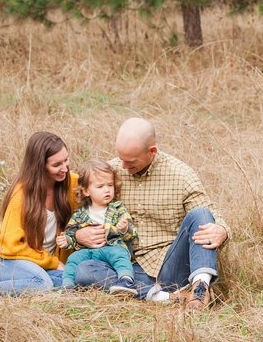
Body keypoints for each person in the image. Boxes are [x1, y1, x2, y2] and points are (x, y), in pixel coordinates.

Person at [70, 118, 228, 311]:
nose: (123, 166)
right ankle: (170, 297)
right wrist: (79, 235)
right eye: (121, 158)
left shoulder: (180, 174)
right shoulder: (110, 174)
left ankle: (200, 290)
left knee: (201, 215)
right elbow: (84, 206)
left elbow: (211, 214)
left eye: (130, 161)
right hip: (126, 268)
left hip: (170, 265)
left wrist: (222, 230)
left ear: (151, 151)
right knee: (85, 271)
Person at [0, 131, 78, 297]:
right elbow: (10, 246)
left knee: (73, 281)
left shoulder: (71, 183)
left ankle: (3, 285)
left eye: (66, 160)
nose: (64, 168)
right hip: (3, 259)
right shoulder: (21, 194)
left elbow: (99, 180)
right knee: (43, 284)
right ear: (40, 166)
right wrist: (53, 263)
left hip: (38, 264)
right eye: (56, 165)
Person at [60, 159, 140, 297]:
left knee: (120, 255)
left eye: (110, 185)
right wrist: (67, 240)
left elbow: (132, 234)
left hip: (111, 247)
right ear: (86, 191)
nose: (107, 190)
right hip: (88, 252)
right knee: (73, 258)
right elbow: (71, 232)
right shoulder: (80, 213)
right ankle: (68, 287)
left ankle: (126, 280)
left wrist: (124, 229)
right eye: (100, 186)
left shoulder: (117, 209)